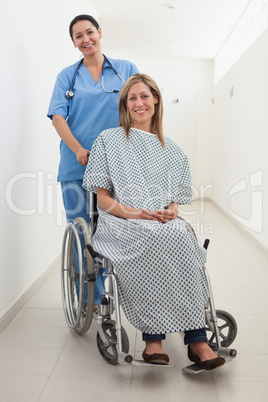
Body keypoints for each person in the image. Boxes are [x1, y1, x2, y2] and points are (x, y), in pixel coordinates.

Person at [82, 73, 225, 370]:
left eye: (144, 96)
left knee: (181, 236)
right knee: (156, 239)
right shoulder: (109, 140)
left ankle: (197, 340)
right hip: (120, 221)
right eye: (132, 98)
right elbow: (103, 200)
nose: (139, 103)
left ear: (156, 100)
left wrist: (171, 209)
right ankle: (153, 339)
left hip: (159, 221)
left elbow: (173, 199)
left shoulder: (172, 150)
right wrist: (135, 213)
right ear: (125, 104)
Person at [47, 14, 139, 308]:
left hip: (117, 167)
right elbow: (58, 117)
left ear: (100, 32)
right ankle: (92, 299)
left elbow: (140, 107)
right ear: (74, 43)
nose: (86, 39)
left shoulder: (125, 70)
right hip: (76, 166)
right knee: (81, 231)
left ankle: (127, 293)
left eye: (90, 32)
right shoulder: (67, 76)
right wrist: (77, 149)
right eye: (78, 36)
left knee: (114, 229)